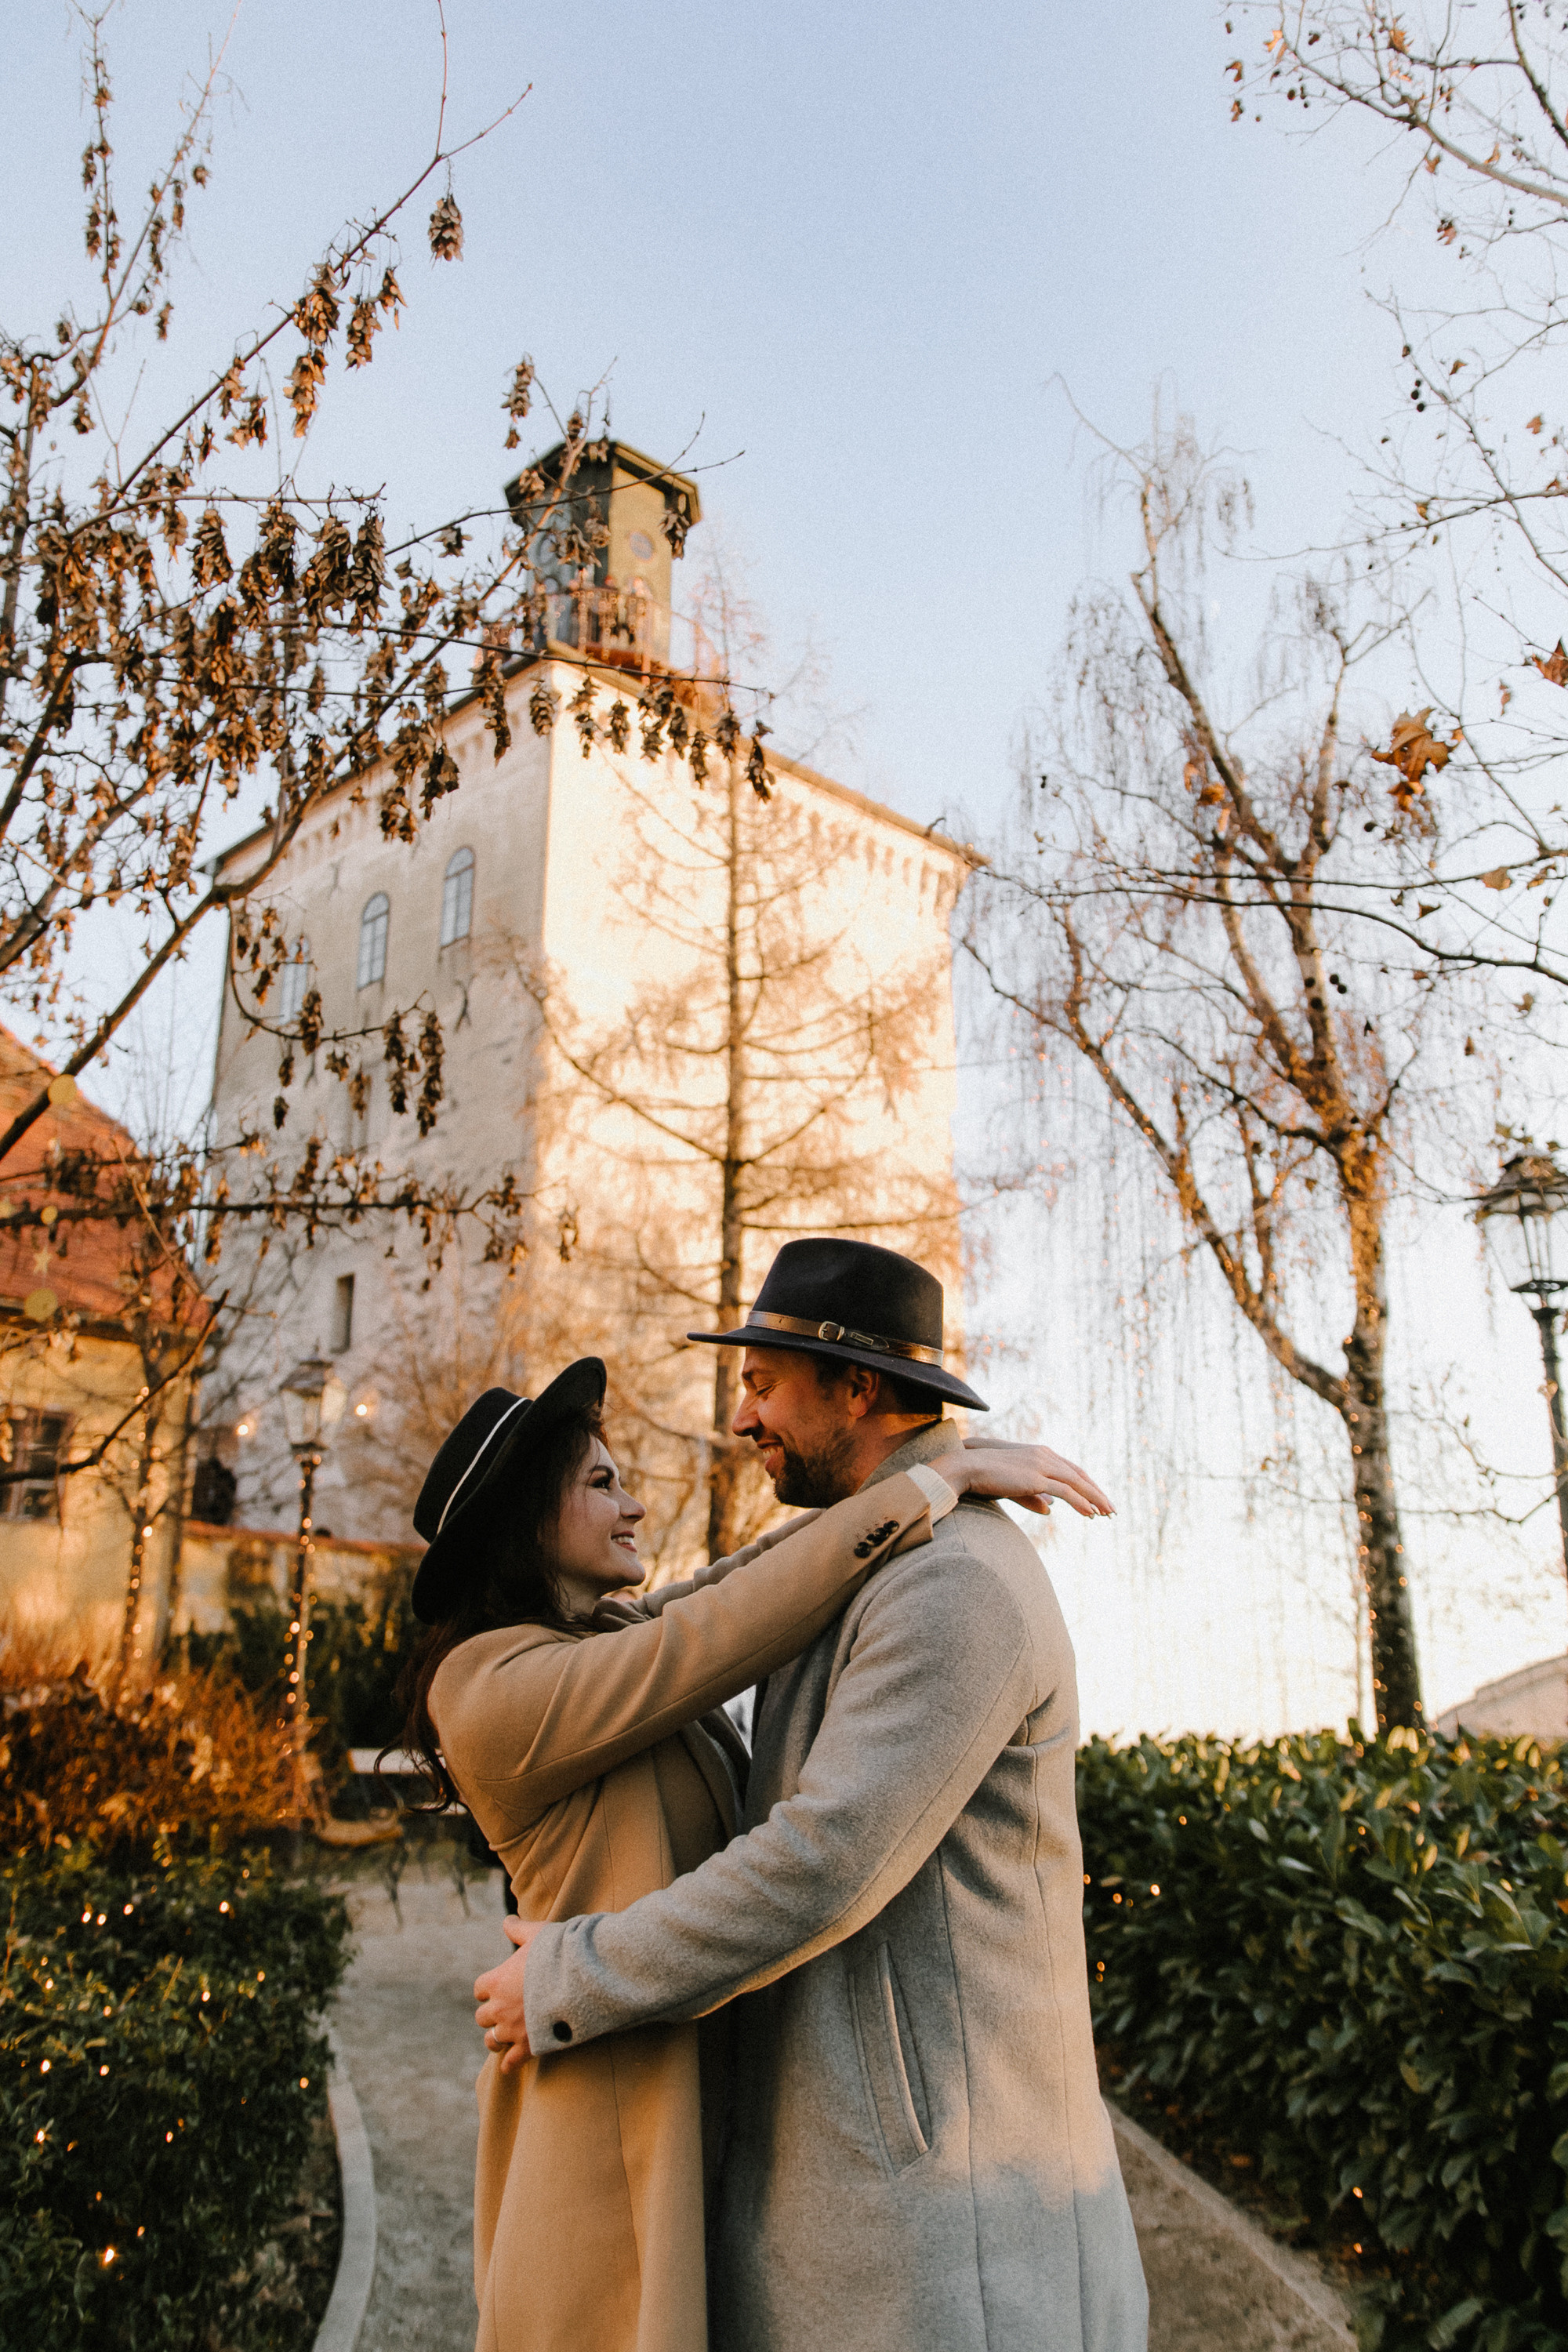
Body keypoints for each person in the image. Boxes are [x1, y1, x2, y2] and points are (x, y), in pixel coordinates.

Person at [474, 1239, 1149, 2352]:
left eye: (761, 1384)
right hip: (865, 2220)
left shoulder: (954, 1588)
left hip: (950, 2248)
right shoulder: (864, 1562)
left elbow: (820, 1861)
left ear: (860, 1389)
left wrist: (572, 1972)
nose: (743, 1419)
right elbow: (683, 1627)